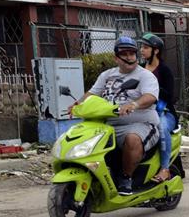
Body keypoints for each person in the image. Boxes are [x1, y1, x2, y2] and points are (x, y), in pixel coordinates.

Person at [70, 36, 159, 195]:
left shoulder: (145, 76)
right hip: (107, 125)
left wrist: (133, 104)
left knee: (132, 138)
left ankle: (126, 178)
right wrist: (77, 105)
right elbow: (92, 94)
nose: (129, 57)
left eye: (132, 53)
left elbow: (150, 97)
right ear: (116, 58)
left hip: (140, 124)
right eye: (124, 54)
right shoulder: (106, 75)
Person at [138, 33, 176, 183]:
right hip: (142, 111)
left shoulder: (164, 70)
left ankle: (165, 168)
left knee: (161, 127)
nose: (142, 50)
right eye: (141, 47)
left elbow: (171, 95)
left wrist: (153, 87)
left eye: (145, 47)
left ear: (156, 51)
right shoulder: (140, 69)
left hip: (163, 112)